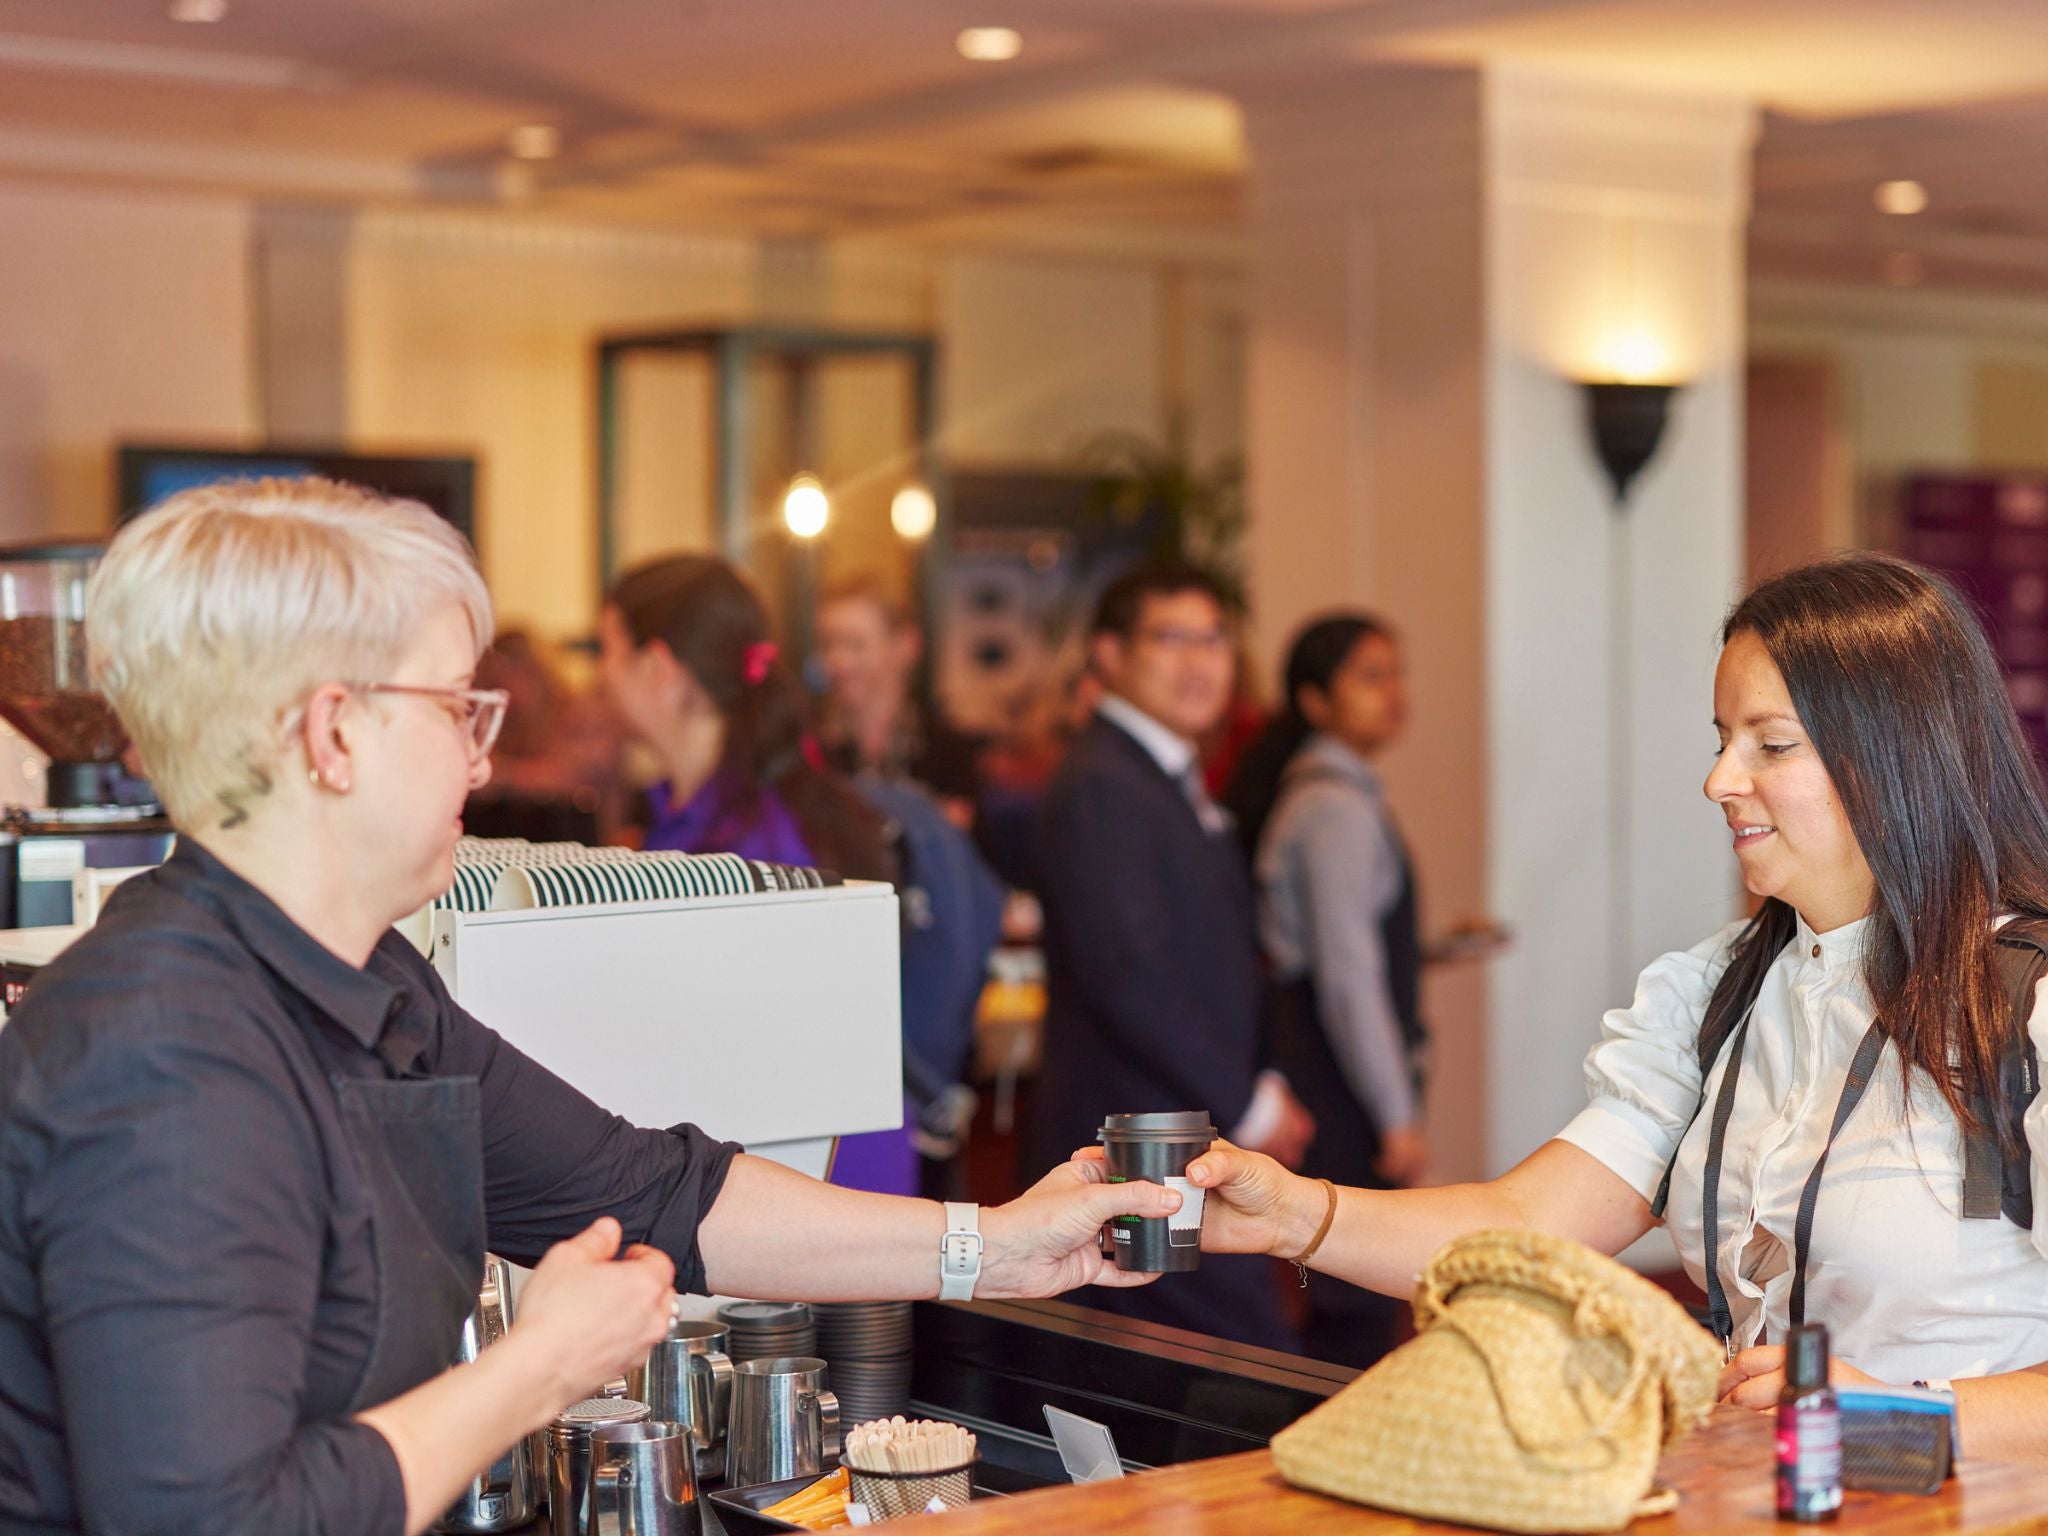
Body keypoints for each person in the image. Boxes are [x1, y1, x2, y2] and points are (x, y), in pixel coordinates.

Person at [0, 479, 1184, 1536]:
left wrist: (991, 1247)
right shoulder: (161, 1053)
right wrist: (542, 1365)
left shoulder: (367, 979)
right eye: (456, 708)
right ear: (333, 733)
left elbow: (651, 1188)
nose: (480, 758)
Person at [1176, 553, 2048, 1458]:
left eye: (1771, 745)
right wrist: (1291, 1215)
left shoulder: (2027, 1003)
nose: (1720, 781)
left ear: (1899, 754)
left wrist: (1916, 1413)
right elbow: (1526, 1223)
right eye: (1721, 741)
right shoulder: (1721, 992)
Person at [1027, 563, 1313, 1353]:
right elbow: (1133, 973)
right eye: (1171, 639)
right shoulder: (1104, 783)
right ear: (1109, 655)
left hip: (1179, 1133)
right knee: (1223, 1375)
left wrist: (1266, 1079)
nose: (1200, 662)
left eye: (1214, 640)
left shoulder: (1163, 774)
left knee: (1207, 1373)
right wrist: (1250, 1101)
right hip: (1139, 1145)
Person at [598, 553, 920, 1196]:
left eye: (607, 651)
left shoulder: (752, 848)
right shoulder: (713, 818)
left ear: (658, 668)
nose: (599, 677)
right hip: (771, 1188)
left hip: (811, 1205)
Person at [1224, 613, 1424, 1368]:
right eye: (1370, 677)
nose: (1393, 693)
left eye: (1396, 672)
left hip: (1325, 1063)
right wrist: (1397, 1114)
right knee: (1351, 1293)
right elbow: (1348, 976)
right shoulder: (1333, 806)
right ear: (1314, 701)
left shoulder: (1335, 794)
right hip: (1333, 1077)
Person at [814, 573, 984, 820]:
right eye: (828, 644)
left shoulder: (949, 754)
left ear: (907, 645)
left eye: (854, 644)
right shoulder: (810, 749)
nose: (839, 662)